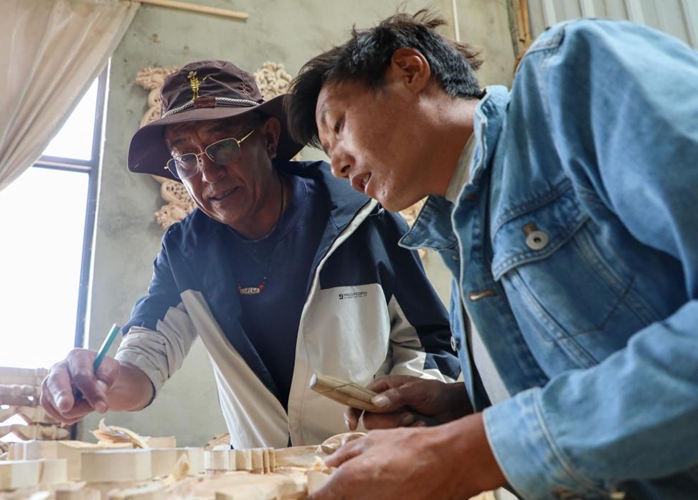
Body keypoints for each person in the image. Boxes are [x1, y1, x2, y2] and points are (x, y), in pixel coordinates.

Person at [287, 11, 698, 500]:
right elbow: (583, 365)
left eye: (336, 125)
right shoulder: (459, 240)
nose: (334, 163)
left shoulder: (569, 79)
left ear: (409, 71)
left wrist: (468, 453)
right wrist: (460, 410)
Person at [41, 60, 459, 450]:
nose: (207, 173)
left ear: (269, 138)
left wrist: (402, 414)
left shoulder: (358, 217)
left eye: (222, 146)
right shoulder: (186, 252)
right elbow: (144, 362)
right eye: (185, 159)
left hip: (376, 467)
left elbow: (434, 345)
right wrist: (99, 385)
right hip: (264, 487)